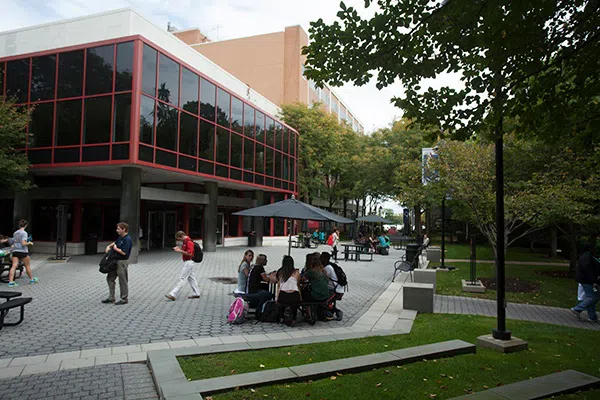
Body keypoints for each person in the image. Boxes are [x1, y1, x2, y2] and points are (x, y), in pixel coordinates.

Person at [102, 222, 132, 305]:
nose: (117, 230)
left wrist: (115, 249)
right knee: (110, 278)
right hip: (115, 261)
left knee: (122, 280)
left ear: (124, 229)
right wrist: (109, 246)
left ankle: (124, 298)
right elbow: (115, 242)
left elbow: (124, 253)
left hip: (122, 262)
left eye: (119, 228)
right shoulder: (121, 238)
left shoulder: (127, 239)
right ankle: (111, 297)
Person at [165, 231, 201, 301]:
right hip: (188, 262)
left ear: (182, 236)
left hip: (188, 262)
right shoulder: (185, 242)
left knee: (182, 278)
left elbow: (190, 254)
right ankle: (196, 293)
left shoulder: (189, 242)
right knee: (191, 278)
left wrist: (179, 250)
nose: (179, 241)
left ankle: (173, 294)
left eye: (179, 239)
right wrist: (180, 249)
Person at [571, 243, 600, 322]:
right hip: (587, 280)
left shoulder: (584, 256)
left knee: (591, 297)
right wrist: (594, 280)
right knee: (593, 297)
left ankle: (592, 316)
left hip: (585, 279)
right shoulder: (587, 257)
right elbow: (588, 269)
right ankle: (577, 309)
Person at [5, 220, 37, 287]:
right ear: (26, 225)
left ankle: (11, 282)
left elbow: (14, 242)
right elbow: (23, 243)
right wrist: (29, 243)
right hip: (23, 251)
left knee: (14, 266)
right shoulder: (24, 233)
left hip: (15, 250)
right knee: (27, 266)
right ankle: (31, 279)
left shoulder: (15, 233)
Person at [276, 255, 302, 325]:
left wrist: (277, 298)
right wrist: (300, 296)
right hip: (294, 295)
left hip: (283, 296)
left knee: (281, 304)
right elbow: (298, 286)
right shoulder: (296, 273)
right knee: (295, 304)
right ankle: (294, 319)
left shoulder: (280, 272)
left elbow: (279, 286)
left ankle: (281, 317)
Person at [320, 252, 344, 321]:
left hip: (336, 290)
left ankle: (337, 312)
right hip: (333, 288)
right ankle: (329, 312)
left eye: (321, 258)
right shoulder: (328, 266)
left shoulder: (328, 268)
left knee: (323, 301)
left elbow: (322, 279)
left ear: (325, 259)